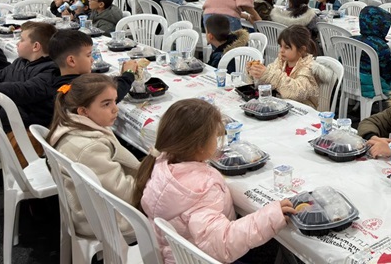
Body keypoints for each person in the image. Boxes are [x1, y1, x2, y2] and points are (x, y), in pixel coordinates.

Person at [135, 99, 295, 264]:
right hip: (200, 257)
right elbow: (224, 243)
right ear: (200, 147)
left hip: (178, 253)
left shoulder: (160, 163)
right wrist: (272, 215)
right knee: (276, 245)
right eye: (215, 135)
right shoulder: (200, 191)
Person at [47, 74, 140, 239]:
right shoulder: (89, 148)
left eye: (114, 101)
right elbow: (124, 194)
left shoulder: (69, 122)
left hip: (88, 208)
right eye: (106, 104)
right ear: (83, 111)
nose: (115, 109)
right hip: (104, 219)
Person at [0, 21, 58, 129]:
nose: (17, 43)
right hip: (9, 123)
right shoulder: (20, 62)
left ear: (36, 46)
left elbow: (26, 90)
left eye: (21, 40)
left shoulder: (51, 70)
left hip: (29, 130)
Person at [247, 25, 328, 109]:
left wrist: (269, 75)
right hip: (282, 107)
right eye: (280, 46)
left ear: (302, 50)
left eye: (287, 47)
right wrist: (256, 73)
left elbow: (297, 92)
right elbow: (268, 81)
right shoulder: (281, 61)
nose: (281, 50)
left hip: (302, 111)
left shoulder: (308, 67)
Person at [354, 6, 391, 98]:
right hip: (373, 87)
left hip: (351, 82)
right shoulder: (381, 47)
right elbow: (388, 74)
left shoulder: (351, 40)